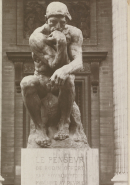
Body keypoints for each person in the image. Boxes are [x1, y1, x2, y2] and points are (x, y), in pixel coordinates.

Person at [20, 2, 87, 147]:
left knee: (68, 78)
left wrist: (65, 70)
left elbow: (79, 63)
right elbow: (53, 64)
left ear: (67, 19)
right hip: (43, 82)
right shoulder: (36, 37)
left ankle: (64, 122)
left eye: (61, 22)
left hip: (62, 83)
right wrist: (62, 44)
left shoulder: (75, 33)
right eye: (53, 22)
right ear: (46, 20)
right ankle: (39, 128)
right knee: (26, 82)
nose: (57, 27)